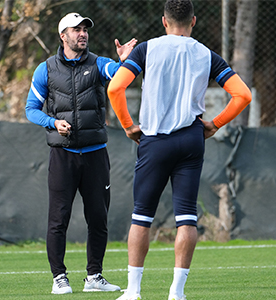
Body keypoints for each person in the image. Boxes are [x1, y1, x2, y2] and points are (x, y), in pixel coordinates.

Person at [106, 1, 252, 299]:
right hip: (190, 140)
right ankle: (177, 292)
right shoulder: (205, 53)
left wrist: (126, 125)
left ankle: (133, 291)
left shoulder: (147, 49)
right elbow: (242, 95)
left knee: (141, 217)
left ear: (164, 21)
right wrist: (216, 123)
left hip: (154, 140)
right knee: (187, 217)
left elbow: (115, 89)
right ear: (193, 21)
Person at [24, 12, 136, 295]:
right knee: (58, 219)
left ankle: (94, 277)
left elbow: (118, 76)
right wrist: (53, 123)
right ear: (63, 36)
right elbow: (31, 110)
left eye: (85, 29)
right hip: (63, 156)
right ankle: (59, 277)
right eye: (76, 30)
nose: (83, 33)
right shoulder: (45, 70)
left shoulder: (98, 64)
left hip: (96, 154)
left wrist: (124, 62)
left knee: (98, 218)